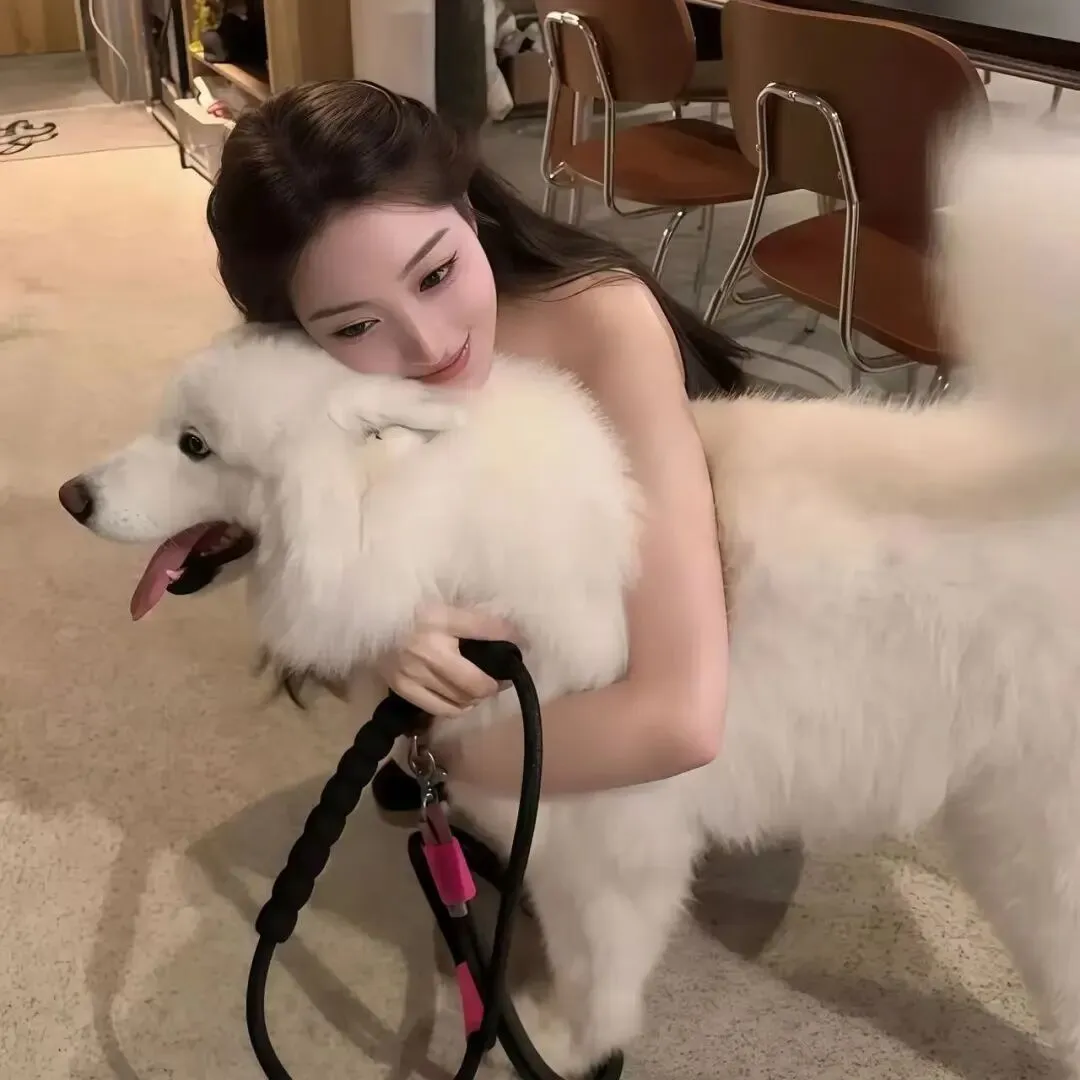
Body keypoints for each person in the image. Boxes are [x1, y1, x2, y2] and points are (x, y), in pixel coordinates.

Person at [206, 79, 745, 805]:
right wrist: (379, 632)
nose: (429, 346)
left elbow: (680, 721)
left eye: (436, 274)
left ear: (468, 210)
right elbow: (296, 566)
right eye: (356, 325)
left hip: (633, 704)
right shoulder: (308, 373)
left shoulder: (599, 322)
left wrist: (426, 753)